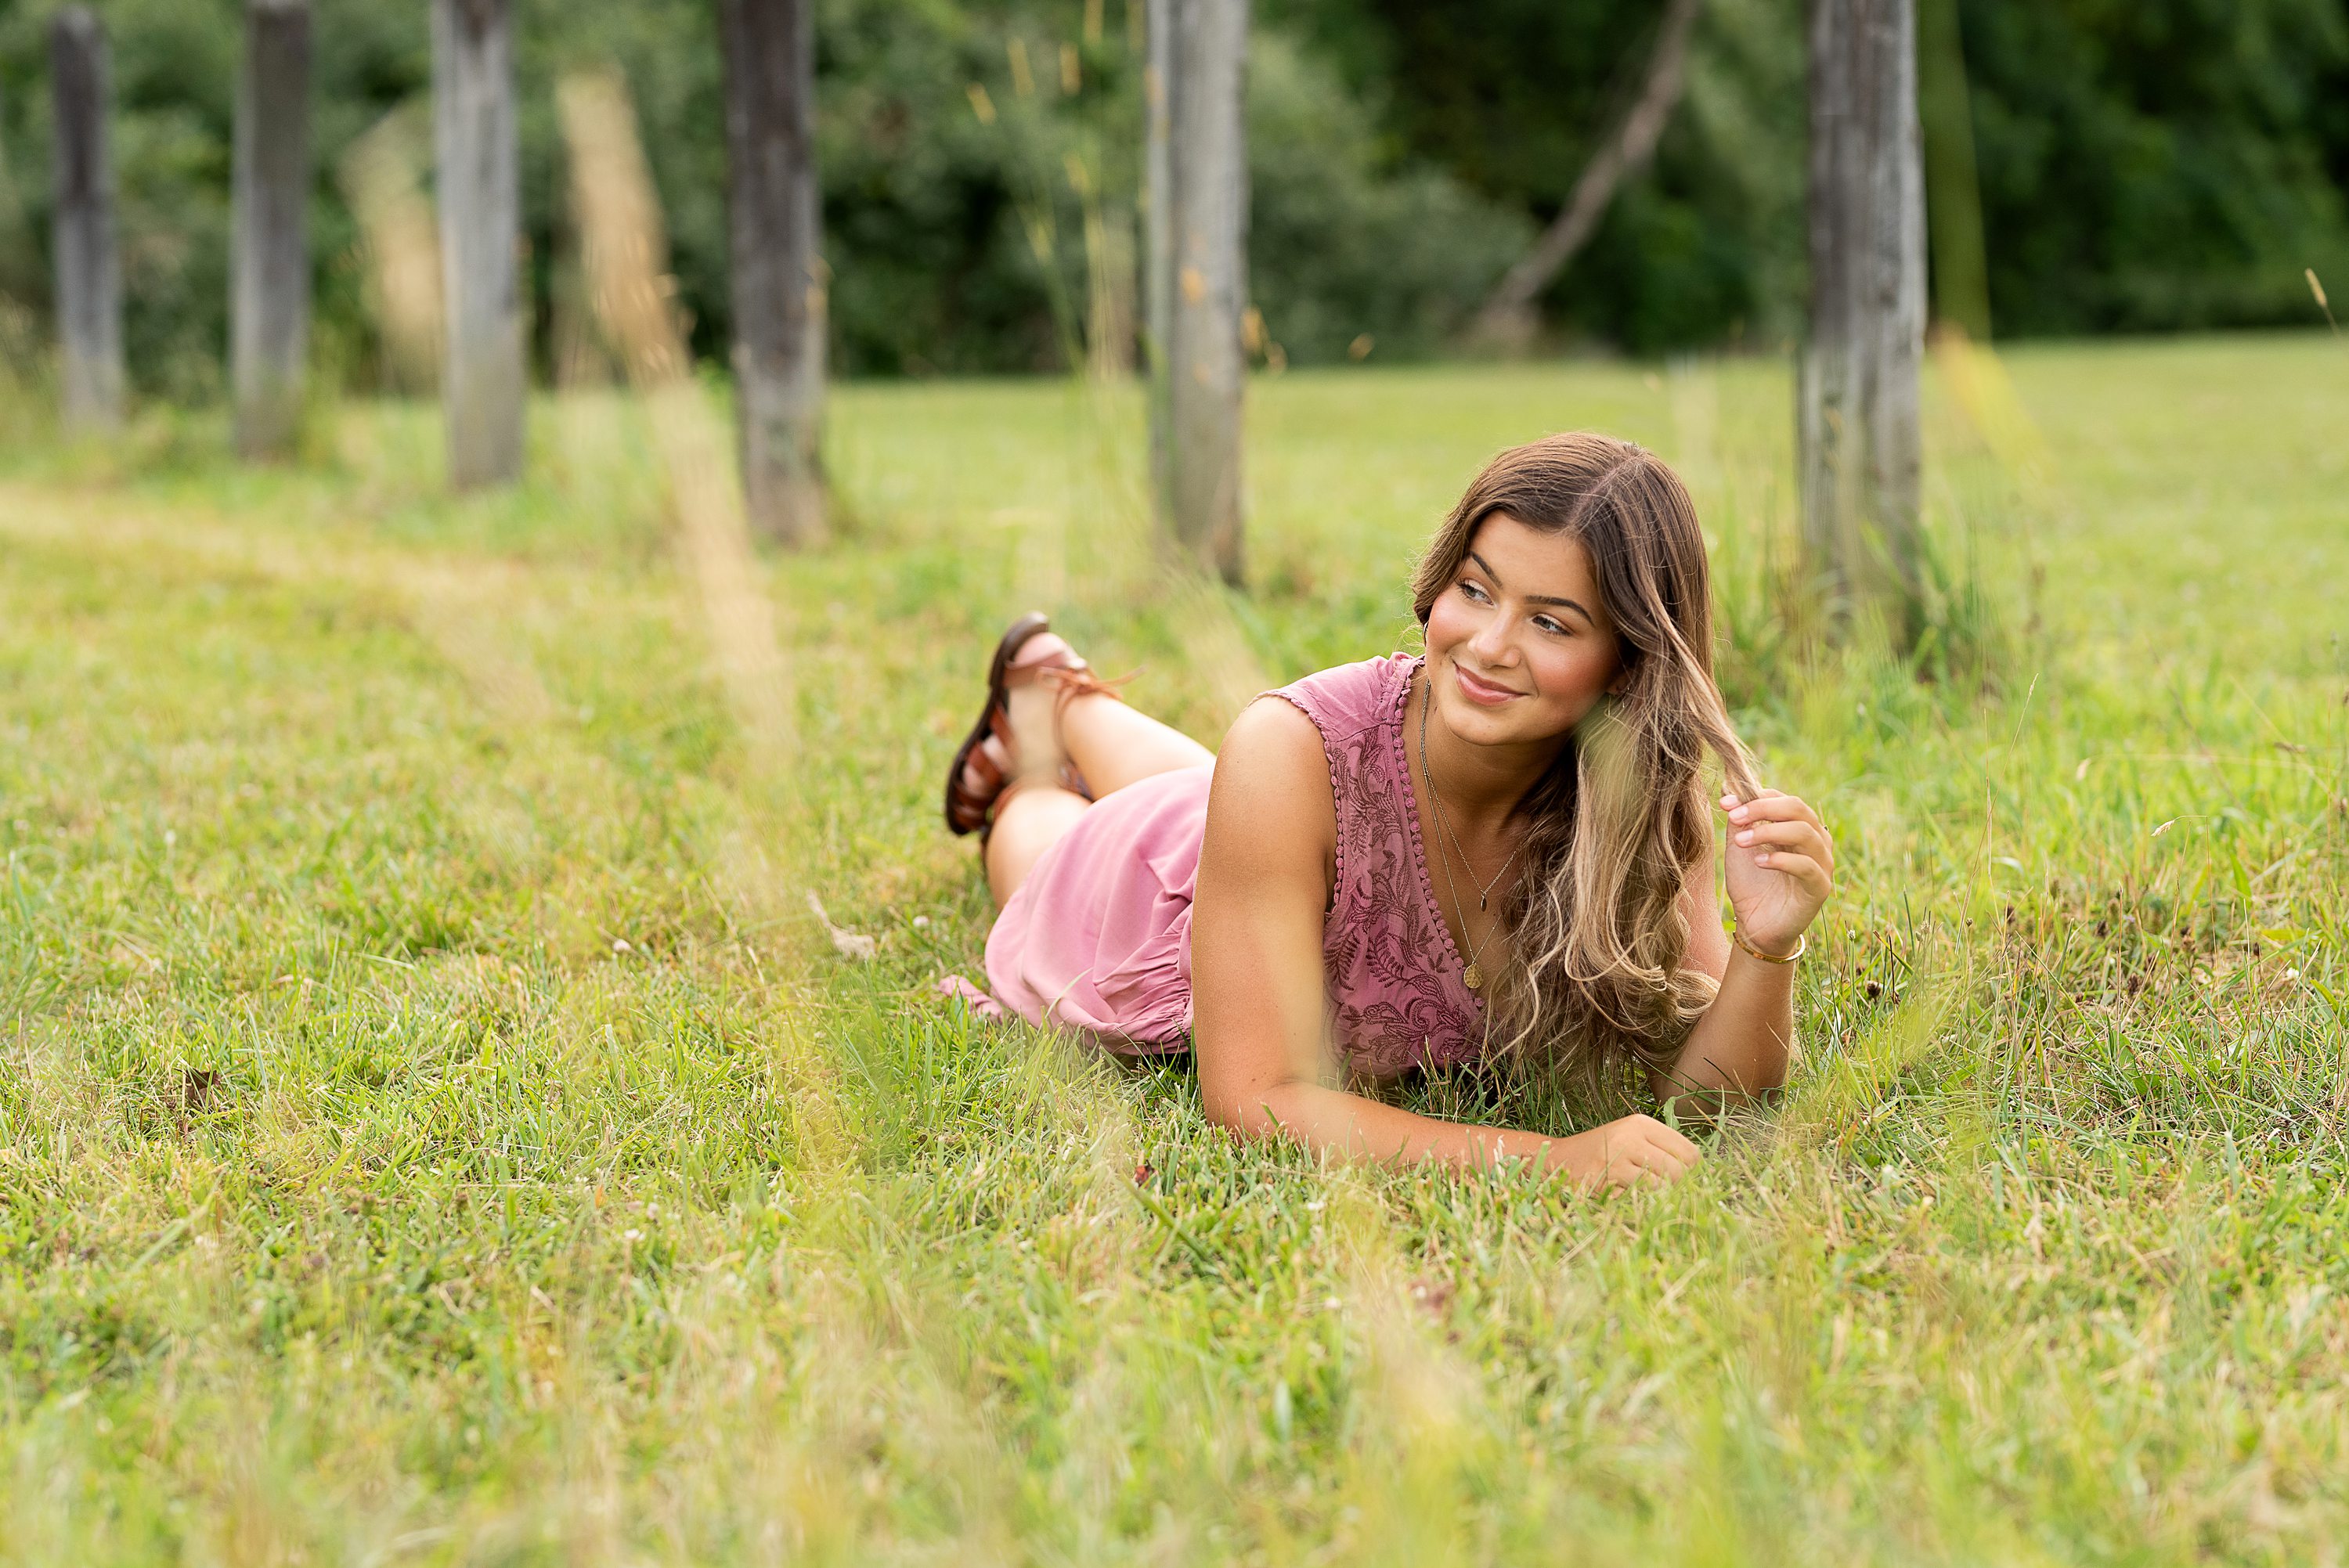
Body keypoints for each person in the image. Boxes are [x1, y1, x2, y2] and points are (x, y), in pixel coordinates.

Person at [940, 433, 1834, 1191]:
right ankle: (1039, 728)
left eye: (1552, 623)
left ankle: (1057, 694)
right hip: (1143, 894)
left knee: (1214, 782)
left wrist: (1769, 943)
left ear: (1629, 663)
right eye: (1476, 590)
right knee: (1043, 835)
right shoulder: (1287, 753)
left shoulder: (1635, 793)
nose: (1488, 646)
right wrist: (1550, 1159)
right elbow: (1252, 1095)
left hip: (1257, 821)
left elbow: (1709, 1095)